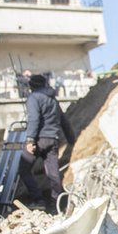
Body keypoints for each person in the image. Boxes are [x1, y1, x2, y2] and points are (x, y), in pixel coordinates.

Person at [19, 73, 75, 213]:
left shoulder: (33, 98)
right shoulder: (53, 100)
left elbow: (34, 119)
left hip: (39, 139)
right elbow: (64, 120)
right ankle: (57, 202)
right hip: (53, 139)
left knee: (24, 169)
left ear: (31, 86)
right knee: (53, 172)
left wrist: (30, 140)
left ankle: (37, 200)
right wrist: (71, 140)